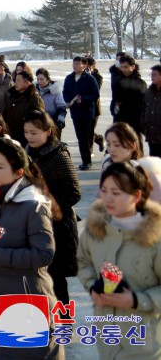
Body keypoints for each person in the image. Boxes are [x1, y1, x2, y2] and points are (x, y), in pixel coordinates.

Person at [0, 138, 60, 359]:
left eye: (0, 167)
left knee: (20, 353)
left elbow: (44, 253)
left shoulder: (33, 205)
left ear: (18, 172)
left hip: (25, 294)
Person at [77, 162, 161, 357]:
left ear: (137, 196)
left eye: (116, 192)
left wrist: (136, 300)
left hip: (146, 342)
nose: (108, 198)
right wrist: (91, 287)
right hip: (107, 335)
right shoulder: (95, 229)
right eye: (104, 191)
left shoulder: (155, 237)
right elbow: (83, 262)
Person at [24, 109, 81, 305]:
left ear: (48, 131)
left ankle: (63, 320)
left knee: (56, 278)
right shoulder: (28, 152)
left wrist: (48, 207)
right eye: (27, 132)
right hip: (34, 224)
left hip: (56, 225)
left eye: (34, 132)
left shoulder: (59, 156)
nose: (29, 137)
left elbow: (74, 193)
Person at [102, 122, 161, 203]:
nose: (111, 149)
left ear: (132, 146)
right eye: (108, 144)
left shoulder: (146, 172)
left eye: (117, 145)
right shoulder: (106, 166)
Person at [63, 55, 101, 170]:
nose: (75, 66)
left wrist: (83, 99)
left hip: (87, 112)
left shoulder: (89, 78)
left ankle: (87, 162)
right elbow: (65, 92)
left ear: (84, 65)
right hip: (75, 112)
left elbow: (96, 94)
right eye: (74, 64)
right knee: (80, 137)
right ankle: (86, 159)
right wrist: (68, 101)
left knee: (85, 137)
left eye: (78, 64)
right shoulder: (69, 78)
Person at [3, 69, 45, 143]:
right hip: (10, 137)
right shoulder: (12, 96)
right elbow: (5, 115)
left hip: (26, 139)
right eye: (15, 80)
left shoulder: (34, 99)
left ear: (27, 83)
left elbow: (38, 121)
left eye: (18, 81)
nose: (15, 83)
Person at [113, 54, 147, 134]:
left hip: (134, 119)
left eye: (126, 67)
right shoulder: (118, 81)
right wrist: (114, 110)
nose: (124, 69)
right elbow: (115, 98)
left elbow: (142, 103)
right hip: (119, 117)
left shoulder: (140, 83)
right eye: (122, 67)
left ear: (133, 67)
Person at [36, 68, 66, 133]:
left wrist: (60, 121)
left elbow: (62, 108)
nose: (39, 81)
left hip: (53, 122)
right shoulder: (34, 90)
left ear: (47, 79)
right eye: (38, 79)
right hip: (37, 123)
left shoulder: (55, 91)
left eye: (42, 79)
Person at [145, 65, 161, 157]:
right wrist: (144, 123)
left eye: (154, 75)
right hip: (152, 135)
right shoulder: (149, 92)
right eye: (151, 74)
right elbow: (144, 109)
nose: (152, 77)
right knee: (154, 163)